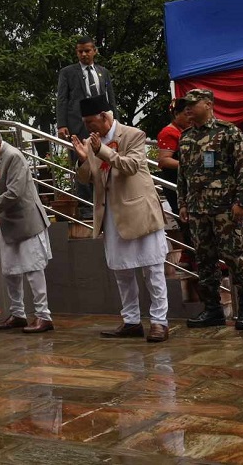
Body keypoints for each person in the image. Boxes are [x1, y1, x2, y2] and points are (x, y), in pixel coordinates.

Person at [72, 95, 170, 343]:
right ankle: (131, 321)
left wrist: (100, 151)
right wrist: (84, 159)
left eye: (90, 122)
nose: (88, 128)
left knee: (153, 269)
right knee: (122, 272)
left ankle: (159, 322)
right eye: (84, 123)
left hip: (139, 212)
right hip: (111, 215)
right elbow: (87, 178)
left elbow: (131, 166)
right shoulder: (91, 142)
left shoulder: (133, 134)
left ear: (104, 117)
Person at [0, 120, 54, 334]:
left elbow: (14, 193)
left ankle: (44, 316)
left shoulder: (14, 157)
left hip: (27, 222)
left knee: (33, 269)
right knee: (11, 271)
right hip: (9, 223)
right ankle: (18, 314)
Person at [177, 88, 243, 330]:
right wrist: (182, 203)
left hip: (225, 210)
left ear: (209, 104)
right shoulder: (186, 137)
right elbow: (183, 175)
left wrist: (242, 202)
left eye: (192, 103)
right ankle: (212, 310)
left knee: (236, 258)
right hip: (198, 211)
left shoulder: (228, 132)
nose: (187, 108)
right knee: (205, 261)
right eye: (185, 105)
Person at [56, 37, 116, 214]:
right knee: (82, 162)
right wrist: (62, 124)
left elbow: (110, 98)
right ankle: (85, 206)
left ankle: (107, 201)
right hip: (77, 123)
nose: (83, 54)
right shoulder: (68, 72)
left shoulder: (103, 72)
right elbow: (62, 99)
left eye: (87, 50)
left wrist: (116, 123)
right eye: (80, 51)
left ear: (94, 51)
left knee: (105, 159)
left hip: (102, 122)